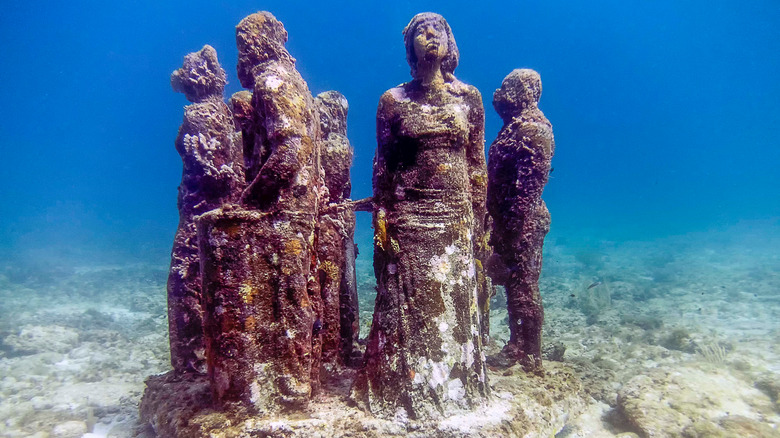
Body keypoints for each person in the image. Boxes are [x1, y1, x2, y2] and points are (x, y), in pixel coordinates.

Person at [353, 13, 489, 419]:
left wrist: (478, 221)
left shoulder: (470, 99)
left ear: (450, 41)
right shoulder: (393, 101)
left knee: (453, 303)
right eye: (419, 32)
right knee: (406, 303)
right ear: (409, 46)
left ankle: (456, 388)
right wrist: (381, 218)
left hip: (455, 217)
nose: (430, 36)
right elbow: (383, 166)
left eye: (438, 30)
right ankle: (400, 390)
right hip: (410, 216)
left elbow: (476, 164)